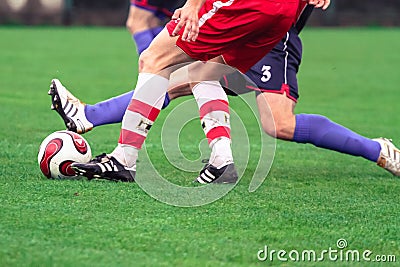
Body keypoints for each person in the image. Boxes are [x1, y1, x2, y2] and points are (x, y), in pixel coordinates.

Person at [54, 0, 383, 184]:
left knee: (156, 59)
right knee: (197, 72)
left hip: (260, 17)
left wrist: (194, 4)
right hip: (275, 17)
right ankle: (221, 160)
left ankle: (123, 158)